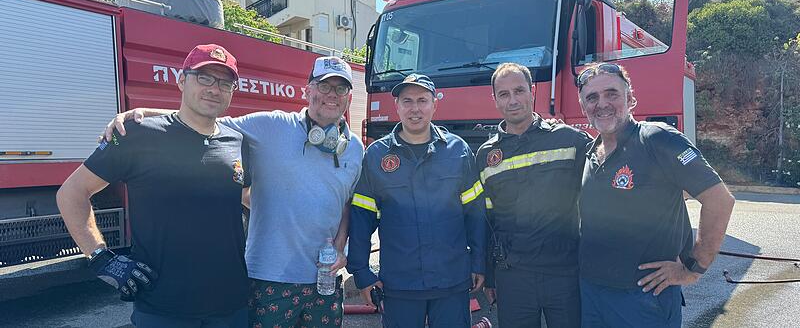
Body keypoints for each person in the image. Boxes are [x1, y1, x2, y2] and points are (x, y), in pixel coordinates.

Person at [104, 56, 364, 328]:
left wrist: (338, 247)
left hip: (325, 279)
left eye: (340, 88)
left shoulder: (355, 149)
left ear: (349, 97)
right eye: (324, 86)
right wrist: (140, 115)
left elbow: (346, 202)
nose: (332, 95)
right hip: (268, 279)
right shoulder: (271, 126)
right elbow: (202, 120)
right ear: (308, 90)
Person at [58, 44, 250, 327]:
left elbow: (247, 198)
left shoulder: (239, 142)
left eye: (224, 82)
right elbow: (72, 193)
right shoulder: (137, 134)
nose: (214, 88)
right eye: (204, 77)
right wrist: (100, 257)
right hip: (162, 308)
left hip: (231, 306)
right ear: (182, 80)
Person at [576, 62, 735, 328]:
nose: (602, 103)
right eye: (592, 97)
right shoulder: (591, 152)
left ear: (630, 98)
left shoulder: (657, 139)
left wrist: (692, 269)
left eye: (611, 94)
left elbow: (719, 200)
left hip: (643, 299)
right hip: (592, 292)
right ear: (583, 107)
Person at [347, 73, 487, 328]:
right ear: (397, 107)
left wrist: (479, 261)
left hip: (451, 281)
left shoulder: (458, 151)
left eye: (422, 100)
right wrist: (362, 272)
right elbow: (361, 218)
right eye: (407, 101)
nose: (415, 108)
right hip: (400, 285)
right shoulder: (377, 156)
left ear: (434, 105)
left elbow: (475, 213)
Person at [476, 63, 591, 328]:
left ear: (533, 92)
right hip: (514, 276)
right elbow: (487, 219)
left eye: (519, 91)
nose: (512, 100)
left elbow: (605, 196)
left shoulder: (570, 140)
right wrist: (491, 275)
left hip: (565, 272)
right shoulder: (485, 156)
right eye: (503, 94)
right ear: (494, 100)